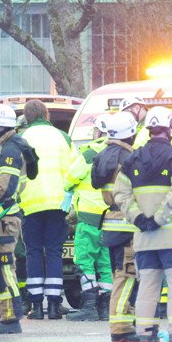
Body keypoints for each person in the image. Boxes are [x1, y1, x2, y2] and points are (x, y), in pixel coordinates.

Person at [113, 107, 172, 342]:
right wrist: (159, 219)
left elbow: (120, 194)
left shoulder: (132, 159)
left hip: (144, 238)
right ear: (170, 129)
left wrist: (139, 218)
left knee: (148, 286)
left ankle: (145, 333)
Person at [17, 99, 76, 321]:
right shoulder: (62, 137)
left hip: (30, 204)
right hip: (58, 204)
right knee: (53, 252)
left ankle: (36, 307)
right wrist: (70, 201)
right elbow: (76, 169)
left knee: (33, 252)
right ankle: (53, 306)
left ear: (27, 117)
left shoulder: (22, 138)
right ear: (47, 115)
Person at [0, 103, 34, 334]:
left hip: (4, 218)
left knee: (3, 268)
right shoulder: (1, 147)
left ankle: (11, 320)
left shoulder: (9, 150)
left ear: (1, 126)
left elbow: (4, 188)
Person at [94, 112, 141, 342]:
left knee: (118, 274)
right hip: (128, 223)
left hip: (111, 222)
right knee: (127, 275)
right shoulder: (130, 157)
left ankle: (125, 321)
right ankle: (121, 326)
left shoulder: (102, 155)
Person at [64, 115, 111, 321]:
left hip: (89, 216)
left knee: (84, 261)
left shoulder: (88, 153)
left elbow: (72, 176)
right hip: (111, 219)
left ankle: (89, 307)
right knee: (105, 263)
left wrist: (67, 190)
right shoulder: (119, 153)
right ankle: (105, 307)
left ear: (98, 132)